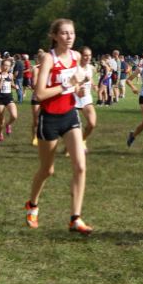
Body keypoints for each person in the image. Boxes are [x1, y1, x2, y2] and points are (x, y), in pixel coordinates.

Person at [26, 19, 93, 235]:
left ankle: (75, 218)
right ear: (55, 36)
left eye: (72, 33)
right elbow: (40, 94)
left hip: (70, 115)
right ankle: (32, 205)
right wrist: (67, 84)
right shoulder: (48, 59)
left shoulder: (76, 57)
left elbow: (77, 85)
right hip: (50, 119)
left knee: (81, 166)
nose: (69, 37)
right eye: (64, 33)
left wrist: (79, 90)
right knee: (47, 170)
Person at [74, 46, 97, 152]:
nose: (88, 57)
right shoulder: (75, 68)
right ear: (81, 56)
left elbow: (90, 77)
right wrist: (83, 82)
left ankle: (82, 141)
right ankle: (74, 145)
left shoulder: (90, 67)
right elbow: (72, 84)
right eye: (85, 55)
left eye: (90, 55)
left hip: (86, 98)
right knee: (76, 127)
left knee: (92, 123)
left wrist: (93, 85)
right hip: (74, 98)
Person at [0, 58, 19, 141]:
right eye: (5, 65)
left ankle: (8, 124)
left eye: (8, 66)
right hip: (0, 99)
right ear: (1, 66)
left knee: (14, 116)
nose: (6, 67)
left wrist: (15, 86)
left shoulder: (10, 75)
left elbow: (11, 84)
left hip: (9, 97)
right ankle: (0, 134)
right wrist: (1, 80)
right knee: (1, 120)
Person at [30, 50, 46, 147]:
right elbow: (33, 85)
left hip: (46, 97)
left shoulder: (49, 69)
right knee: (36, 120)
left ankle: (44, 137)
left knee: (46, 119)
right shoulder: (36, 70)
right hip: (36, 97)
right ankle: (35, 137)